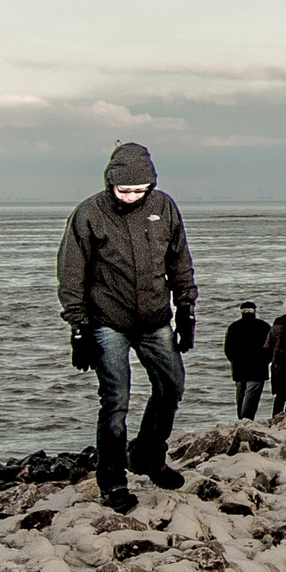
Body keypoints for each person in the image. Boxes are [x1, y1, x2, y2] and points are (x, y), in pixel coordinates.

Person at [57, 142, 197, 511]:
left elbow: (180, 260)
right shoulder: (89, 214)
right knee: (116, 400)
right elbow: (72, 273)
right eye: (125, 190)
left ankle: (149, 456)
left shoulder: (164, 207)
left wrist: (186, 310)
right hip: (108, 322)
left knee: (172, 386)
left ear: (150, 185)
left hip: (155, 319)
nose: (133, 197)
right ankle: (113, 480)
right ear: (111, 183)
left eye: (140, 190)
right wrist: (78, 328)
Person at [223, 300, 272, 420]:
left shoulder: (234, 326)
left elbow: (228, 349)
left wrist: (233, 361)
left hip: (239, 367)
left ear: (241, 312)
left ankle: (241, 418)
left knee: (241, 395)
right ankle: (246, 419)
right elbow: (271, 347)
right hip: (258, 367)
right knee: (252, 396)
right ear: (254, 311)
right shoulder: (264, 326)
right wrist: (266, 361)